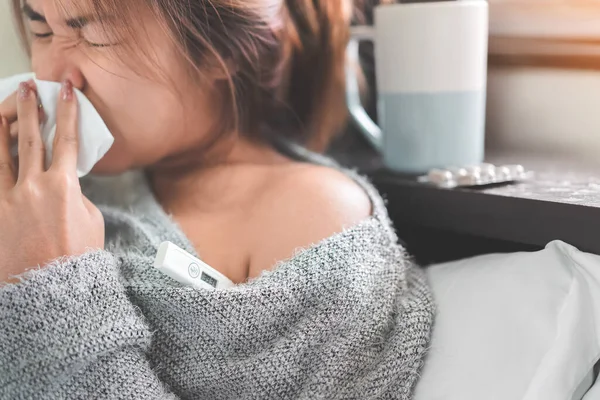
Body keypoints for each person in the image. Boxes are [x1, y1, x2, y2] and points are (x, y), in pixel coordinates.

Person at [0, 0, 434, 399]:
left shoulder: (316, 218)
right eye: (40, 29)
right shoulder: (46, 189)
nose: (53, 75)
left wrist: (52, 286)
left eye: (92, 36)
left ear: (219, 52)